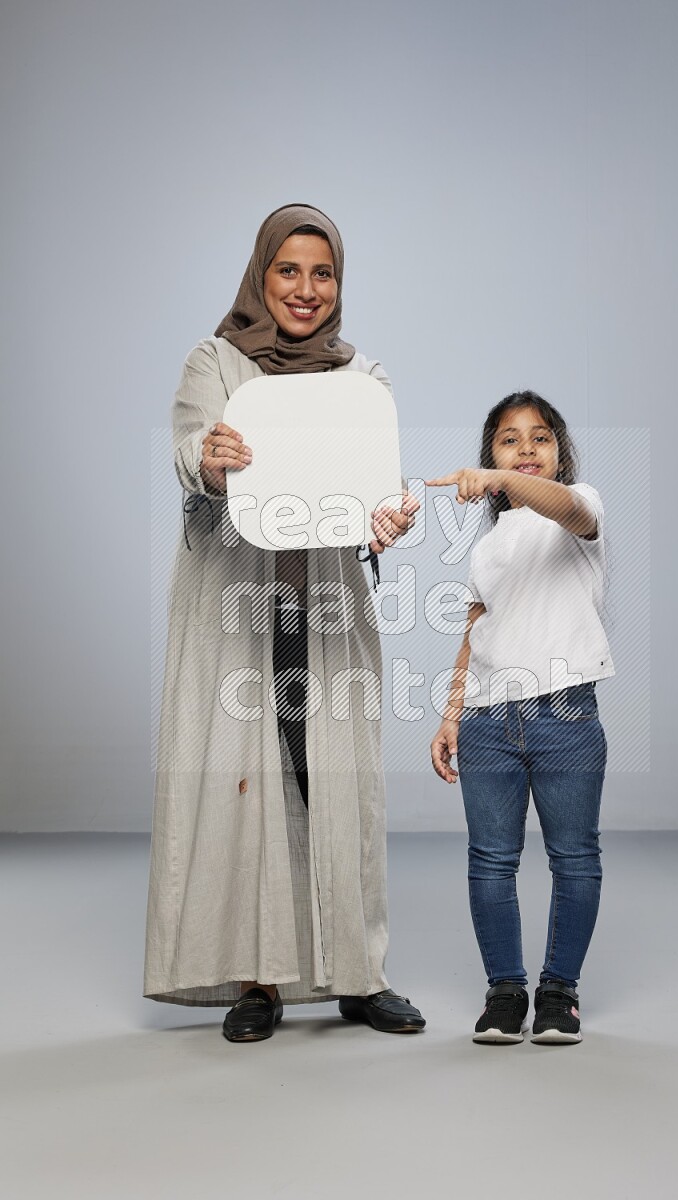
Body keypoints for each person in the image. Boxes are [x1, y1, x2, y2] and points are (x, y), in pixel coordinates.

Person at [144, 204, 425, 1040]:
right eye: (289, 270)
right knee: (250, 783)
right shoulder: (216, 362)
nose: (306, 289)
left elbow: (376, 484)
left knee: (340, 781)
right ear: (261, 275)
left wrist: (389, 517)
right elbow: (190, 447)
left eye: (323, 272)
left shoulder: (361, 378)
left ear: (339, 284)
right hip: (240, 604)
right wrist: (211, 460)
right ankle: (260, 981)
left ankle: (358, 973)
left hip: (328, 603)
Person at [427, 391, 613, 1045]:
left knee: (574, 858)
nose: (526, 448)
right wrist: (452, 713)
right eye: (509, 440)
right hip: (488, 721)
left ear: (560, 456)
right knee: (490, 861)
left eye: (540, 438)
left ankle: (559, 993)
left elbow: (565, 506)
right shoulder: (486, 552)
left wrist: (505, 481)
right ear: (489, 455)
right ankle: (505, 992)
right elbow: (474, 629)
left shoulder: (578, 509)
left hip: (565, 715)